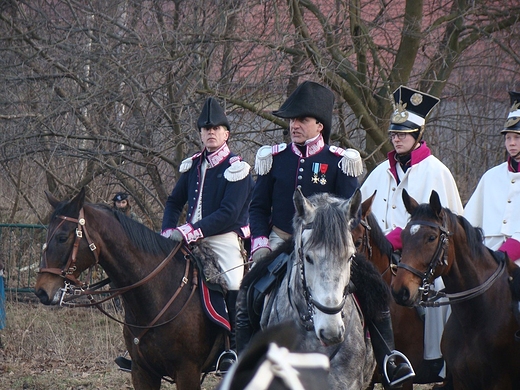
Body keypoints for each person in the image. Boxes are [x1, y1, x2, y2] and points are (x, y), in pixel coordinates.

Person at [238, 80, 414, 389]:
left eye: (302, 120)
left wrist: (342, 244)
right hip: (281, 241)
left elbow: (351, 211)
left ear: (319, 124)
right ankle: (242, 363)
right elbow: (257, 207)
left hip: (331, 247)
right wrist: (261, 244)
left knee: (375, 291)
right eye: (292, 120)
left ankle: (390, 361)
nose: (295, 125)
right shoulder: (274, 158)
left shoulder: (340, 160)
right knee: (248, 293)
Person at [361, 85, 463, 387]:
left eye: (404, 133)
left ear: (419, 135)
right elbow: (361, 216)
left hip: (422, 261)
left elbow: (450, 229)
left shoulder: (437, 172)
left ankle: (437, 361)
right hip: (376, 257)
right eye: (394, 133)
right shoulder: (379, 171)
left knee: (441, 297)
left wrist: (398, 240)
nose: (397, 138)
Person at [161, 97, 254, 373]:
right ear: (200, 133)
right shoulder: (192, 166)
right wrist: (168, 231)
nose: (210, 133)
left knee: (233, 279)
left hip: (224, 237)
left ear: (226, 134)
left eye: (216, 128)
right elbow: (173, 202)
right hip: (188, 235)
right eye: (205, 129)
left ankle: (233, 350)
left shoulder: (238, 168)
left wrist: (192, 230)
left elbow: (228, 213)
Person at [464, 91, 520, 266]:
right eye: (508, 137)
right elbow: (470, 221)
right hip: (486, 259)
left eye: (517, 138)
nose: (511, 143)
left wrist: (502, 256)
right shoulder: (491, 176)